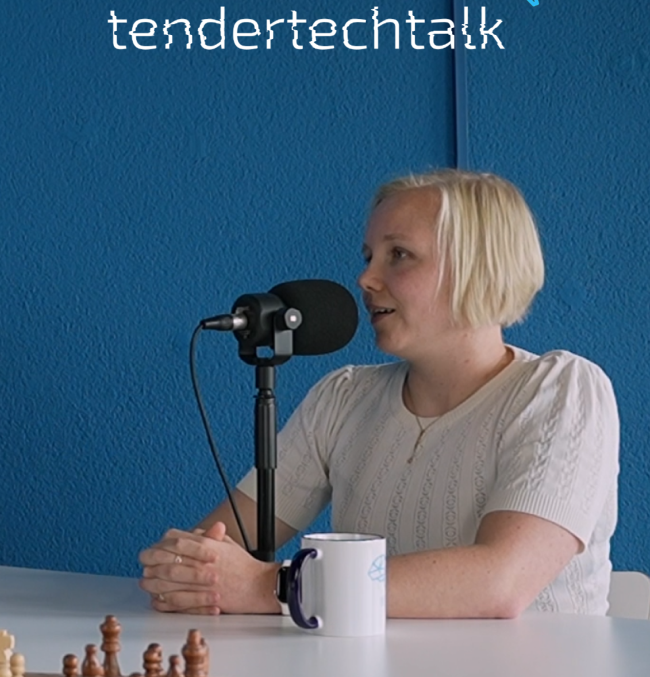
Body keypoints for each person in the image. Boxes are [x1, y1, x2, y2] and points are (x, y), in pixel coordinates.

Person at [140, 169, 618, 617]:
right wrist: (186, 568)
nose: (366, 279)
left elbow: (501, 582)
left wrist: (274, 586)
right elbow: (217, 546)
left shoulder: (562, 391)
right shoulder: (344, 398)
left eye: (399, 255)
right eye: (368, 257)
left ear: (478, 267)